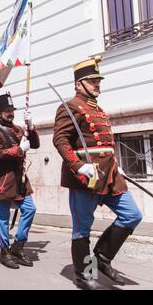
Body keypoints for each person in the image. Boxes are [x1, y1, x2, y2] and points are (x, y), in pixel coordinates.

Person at [53, 56, 143, 290]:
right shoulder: (70, 107)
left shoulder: (99, 110)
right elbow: (60, 140)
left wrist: (115, 162)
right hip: (86, 177)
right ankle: (85, 276)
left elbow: (104, 144)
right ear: (78, 84)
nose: (97, 84)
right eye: (91, 81)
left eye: (97, 80)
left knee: (132, 214)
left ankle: (102, 258)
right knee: (82, 228)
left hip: (110, 174)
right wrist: (77, 165)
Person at [0, 93, 39, 269]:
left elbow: (36, 144)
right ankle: (4, 251)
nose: (10, 113)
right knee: (2, 218)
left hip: (19, 181)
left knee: (30, 209)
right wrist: (19, 149)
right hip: (2, 180)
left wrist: (31, 127)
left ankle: (18, 245)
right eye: (7, 111)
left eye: (11, 110)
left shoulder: (18, 129)